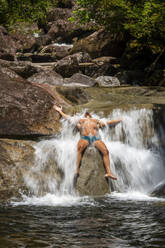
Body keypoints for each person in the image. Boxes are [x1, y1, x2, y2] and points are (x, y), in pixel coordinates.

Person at [54, 105, 122, 180]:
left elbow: (108, 122)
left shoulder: (96, 121)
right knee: (79, 149)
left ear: (90, 115)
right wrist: (60, 111)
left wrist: (119, 120)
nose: (87, 114)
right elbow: (68, 118)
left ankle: (109, 172)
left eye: (88, 114)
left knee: (106, 151)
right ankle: (76, 170)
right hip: (85, 138)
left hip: (95, 138)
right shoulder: (80, 120)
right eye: (86, 114)